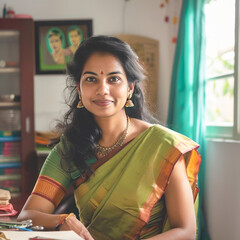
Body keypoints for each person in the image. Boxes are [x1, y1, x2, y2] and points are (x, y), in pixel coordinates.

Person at [18, 35, 200, 240]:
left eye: (113, 79)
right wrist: (60, 220)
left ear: (130, 87)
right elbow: (27, 216)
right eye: (91, 79)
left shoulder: (162, 146)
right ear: (79, 89)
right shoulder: (70, 149)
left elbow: (186, 231)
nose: (102, 89)